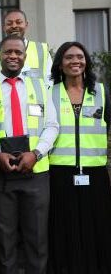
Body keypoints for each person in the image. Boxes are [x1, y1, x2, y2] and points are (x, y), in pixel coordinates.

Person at [0, 35, 58, 274]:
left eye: (18, 52)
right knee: (5, 241)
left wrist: (36, 154)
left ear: (25, 57)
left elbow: (52, 126)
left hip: (36, 173)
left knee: (37, 239)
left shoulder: (40, 86)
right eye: (8, 52)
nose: (13, 56)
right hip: (0, 174)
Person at [48, 41, 111, 274]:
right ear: (60, 64)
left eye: (80, 56)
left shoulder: (101, 92)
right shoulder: (49, 93)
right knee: (63, 228)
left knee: (98, 227)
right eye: (68, 57)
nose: (75, 61)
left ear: (86, 62)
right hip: (59, 172)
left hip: (95, 173)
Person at [0, 9, 53, 87]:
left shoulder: (42, 50)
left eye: (18, 22)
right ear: (4, 27)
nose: (14, 26)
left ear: (26, 25)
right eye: (9, 23)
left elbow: (50, 83)